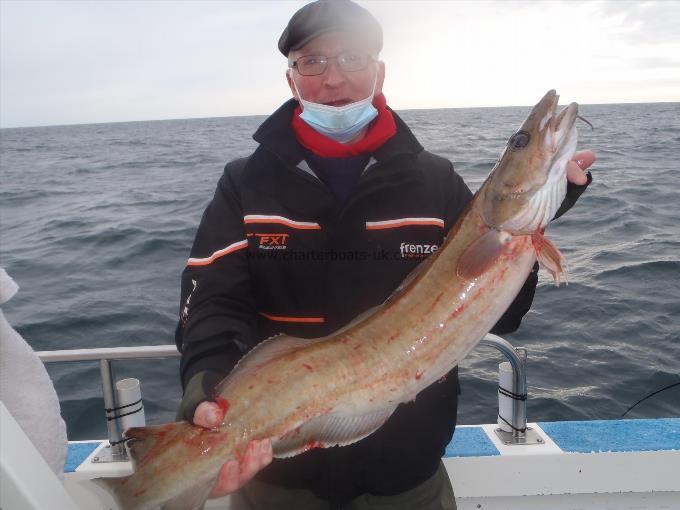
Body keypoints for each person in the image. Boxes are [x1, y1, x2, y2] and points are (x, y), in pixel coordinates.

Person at [175, 1, 595, 508]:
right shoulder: (244, 184)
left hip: (407, 472)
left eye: (352, 57)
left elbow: (502, 316)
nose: (334, 79)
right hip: (276, 476)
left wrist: (540, 219)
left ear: (379, 71)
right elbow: (211, 302)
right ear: (292, 80)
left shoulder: (435, 180)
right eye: (313, 62)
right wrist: (204, 385)